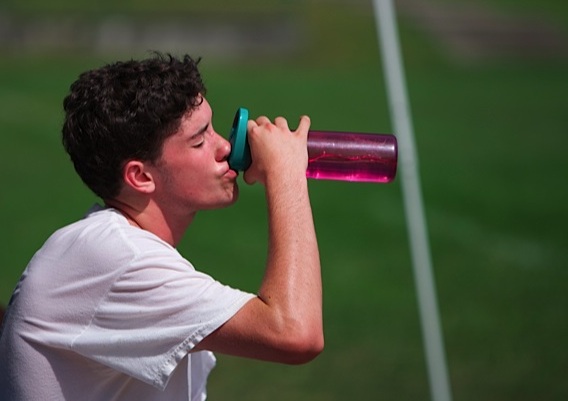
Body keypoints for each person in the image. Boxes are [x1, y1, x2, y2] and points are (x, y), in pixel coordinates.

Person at [0, 53, 323, 401]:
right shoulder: (119, 258)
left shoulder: (107, 248)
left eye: (212, 129)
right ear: (140, 177)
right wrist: (286, 174)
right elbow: (295, 333)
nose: (226, 147)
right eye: (199, 141)